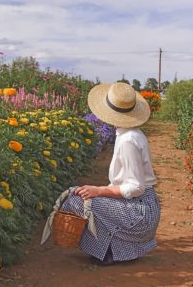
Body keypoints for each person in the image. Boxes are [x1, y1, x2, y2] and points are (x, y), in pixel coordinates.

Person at [61, 82, 161, 265]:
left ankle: (107, 251)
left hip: (140, 213)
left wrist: (99, 191)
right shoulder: (130, 134)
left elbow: (136, 187)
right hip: (141, 205)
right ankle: (114, 250)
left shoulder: (128, 140)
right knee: (81, 194)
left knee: (76, 201)